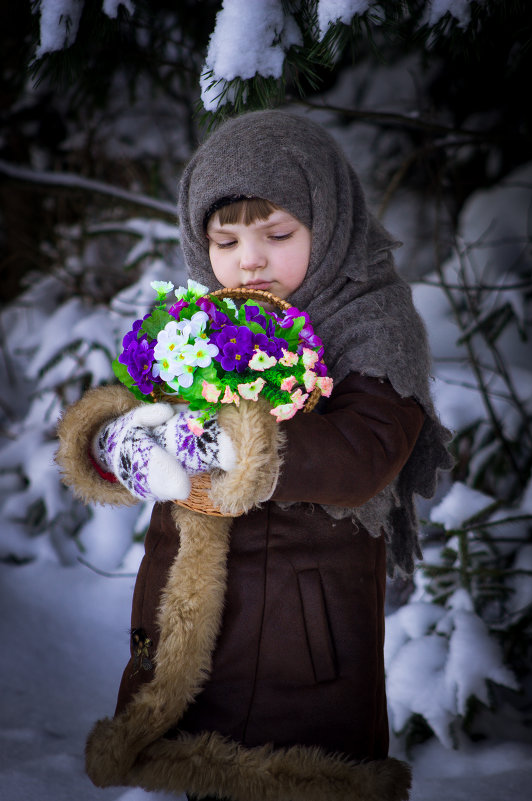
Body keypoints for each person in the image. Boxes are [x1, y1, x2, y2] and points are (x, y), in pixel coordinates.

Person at [56, 110, 452, 801]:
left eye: (277, 234)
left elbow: (364, 452)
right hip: (193, 635)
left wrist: (231, 442)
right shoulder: (203, 322)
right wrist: (115, 440)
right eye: (225, 238)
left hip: (303, 641)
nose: (249, 259)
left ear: (326, 224)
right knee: (200, 773)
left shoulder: (373, 322)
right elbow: (131, 401)